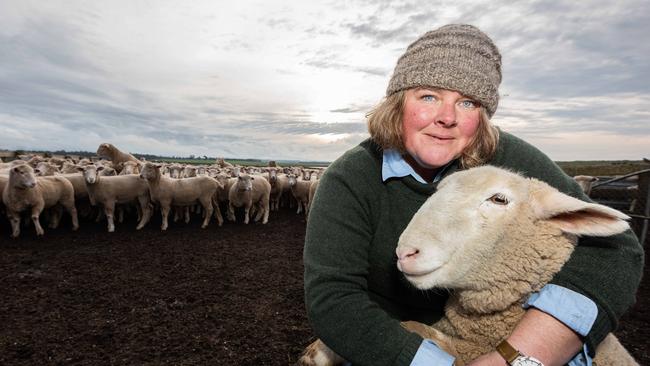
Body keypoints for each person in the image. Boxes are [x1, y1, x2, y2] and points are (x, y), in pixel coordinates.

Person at [303, 24, 643, 366]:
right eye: (428, 96)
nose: (447, 117)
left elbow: (617, 249)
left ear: (483, 116)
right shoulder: (350, 178)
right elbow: (333, 297)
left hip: (501, 336)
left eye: (467, 102)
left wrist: (521, 356)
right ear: (398, 103)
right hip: (395, 342)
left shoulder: (510, 163)